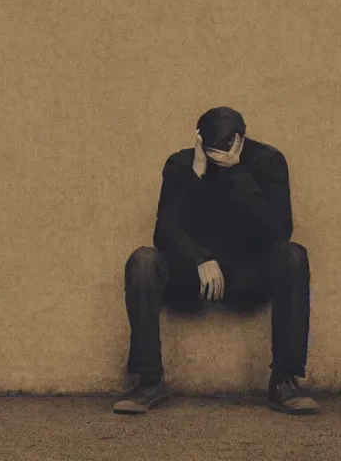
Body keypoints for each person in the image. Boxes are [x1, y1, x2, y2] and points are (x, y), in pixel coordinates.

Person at [113, 106, 317, 416]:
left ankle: (284, 381)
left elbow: (278, 232)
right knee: (143, 260)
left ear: (240, 140)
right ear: (198, 141)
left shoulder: (269, 162)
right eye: (210, 152)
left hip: (247, 274)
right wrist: (196, 172)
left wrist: (236, 172)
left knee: (292, 254)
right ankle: (150, 381)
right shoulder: (180, 164)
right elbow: (165, 231)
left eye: (223, 152)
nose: (217, 159)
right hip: (192, 274)